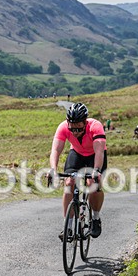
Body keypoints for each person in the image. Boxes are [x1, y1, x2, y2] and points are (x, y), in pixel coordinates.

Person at [48, 102, 107, 238]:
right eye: (72, 128)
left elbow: (99, 152)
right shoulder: (63, 127)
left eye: (79, 128)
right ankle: (67, 226)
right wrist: (53, 169)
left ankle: (96, 218)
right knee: (69, 183)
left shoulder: (95, 126)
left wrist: (96, 170)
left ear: (85, 123)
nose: (75, 132)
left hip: (95, 155)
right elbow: (56, 150)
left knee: (93, 184)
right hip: (77, 153)